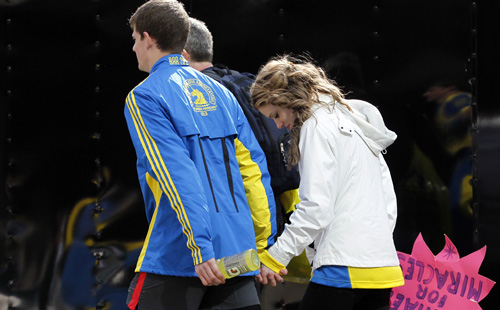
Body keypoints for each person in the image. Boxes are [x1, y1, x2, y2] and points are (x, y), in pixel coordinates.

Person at [124, 1, 277, 309]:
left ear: (148, 38)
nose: (133, 49)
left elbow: (176, 175)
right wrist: (263, 246)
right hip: (238, 251)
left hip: (182, 253)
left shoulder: (144, 95)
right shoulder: (222, 94)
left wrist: (200, 248)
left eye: (134, 39)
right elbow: (254, 172)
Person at [250, 54, 405, 310]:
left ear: (286, 98)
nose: (279, 123)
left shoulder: (315, 125)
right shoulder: (353, 123)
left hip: (343, 267)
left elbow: (316, 208)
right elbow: (388, 200)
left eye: (276, 113)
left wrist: (275, 257)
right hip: (382, 266)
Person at [182, 17, 302, 254]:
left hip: (234, 224)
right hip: (274, 213)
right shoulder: (246, 83)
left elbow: (247, 166)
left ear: (183, 56)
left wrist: (260, 240)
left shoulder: (201, 97)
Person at [423, 79, 473, 253]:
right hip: (464, 158)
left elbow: (460, 117)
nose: (427, 94)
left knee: (461, 208)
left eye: (431, 89)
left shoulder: (454, 99)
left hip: (467, 157)